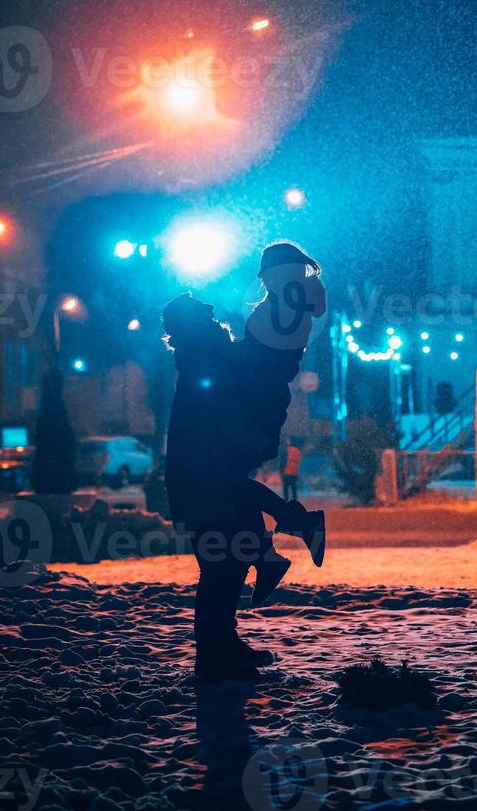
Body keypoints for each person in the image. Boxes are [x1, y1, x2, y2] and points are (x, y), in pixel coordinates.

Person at [163, 242, 326, 680]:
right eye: (208, 316)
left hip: (212, 476)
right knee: (220, 570)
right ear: (195, 328)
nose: (217, 318)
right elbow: (231, 401)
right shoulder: (206, 361)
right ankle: (213, 658)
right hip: (202, 481)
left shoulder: (208, 356)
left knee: (230, 566)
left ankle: (226, 645)